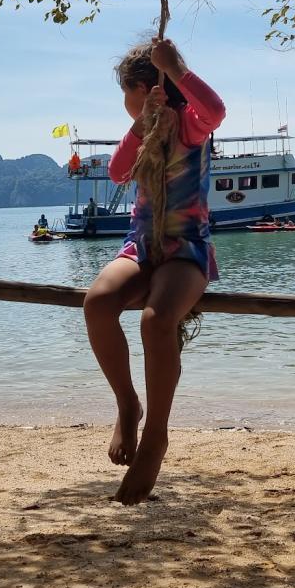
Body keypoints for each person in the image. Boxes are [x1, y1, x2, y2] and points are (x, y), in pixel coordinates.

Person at [83, 37, 225, 505]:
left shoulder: (190, 126)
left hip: (186, 249)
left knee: (156, 320)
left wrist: (177, 67)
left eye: (126, 93)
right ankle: (128, 404)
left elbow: (216, 109)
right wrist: (141, 126)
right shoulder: (143, 131)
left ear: (144, 88)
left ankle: (157, 435)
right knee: (98, 302)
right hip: (142, 247)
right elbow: (120, 172)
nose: (124, 104)